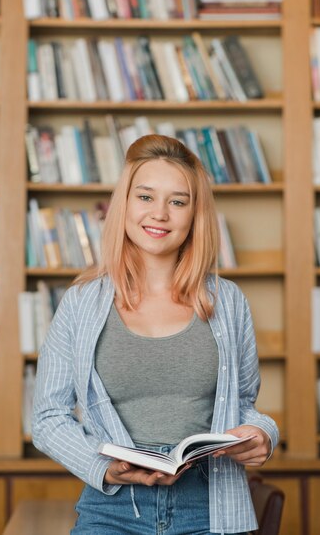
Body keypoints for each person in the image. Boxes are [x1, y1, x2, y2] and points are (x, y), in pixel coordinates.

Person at [32, 134, 279, 535]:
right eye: (146, 197)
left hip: (210, 506)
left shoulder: (229, 302)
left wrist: (264, 432)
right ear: (124, 205)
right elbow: (47, 418)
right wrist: (105, 468)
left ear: (194, 214)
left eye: (177, 201)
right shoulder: (80, 304)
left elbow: (243, 405)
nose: (159, 214)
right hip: (111, 507)